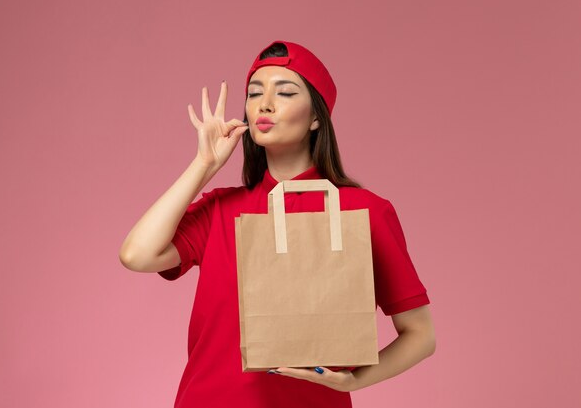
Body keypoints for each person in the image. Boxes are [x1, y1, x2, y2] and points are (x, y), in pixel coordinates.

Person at [119, 40, 436, 407]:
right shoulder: (221, 209)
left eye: (284, 92)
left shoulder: (363, 212)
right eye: (254, 93)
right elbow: (137, 255)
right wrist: (203, 165)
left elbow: (420, 335)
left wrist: (353, 380)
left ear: (316, 117)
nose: (264, 104)